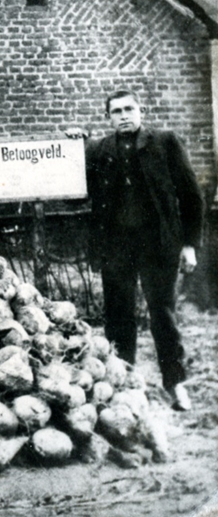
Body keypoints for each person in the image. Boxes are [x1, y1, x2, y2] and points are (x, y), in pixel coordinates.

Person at [68, 89, 203, 411]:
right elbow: (76, 196)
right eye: (116, 111)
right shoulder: (100, 150)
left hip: (159, 245)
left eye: (129, 109)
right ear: (108, 117)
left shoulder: (165, 142)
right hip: (117, 247)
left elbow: (191, 195)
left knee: (163, 316)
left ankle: (175, 383)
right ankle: (123, 383)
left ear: (140, 112)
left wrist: (189, 245)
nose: (124, 115)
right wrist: (74, 150)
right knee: (118, 318)